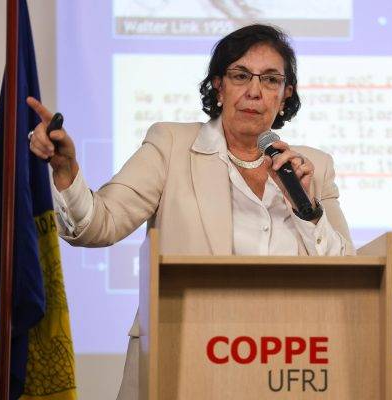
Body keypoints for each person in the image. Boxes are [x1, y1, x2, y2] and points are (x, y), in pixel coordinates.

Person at [27, 24, 354, 399]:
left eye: (270, 79)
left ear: (285, 94)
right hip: (183, 359)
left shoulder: (313, 168)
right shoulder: (172, 145)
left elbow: (350, 275)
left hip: (284, 368)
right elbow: (100, 224)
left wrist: (308, 212)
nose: (254, 91)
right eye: (240, 75)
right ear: (219, 86)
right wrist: (66, 170)